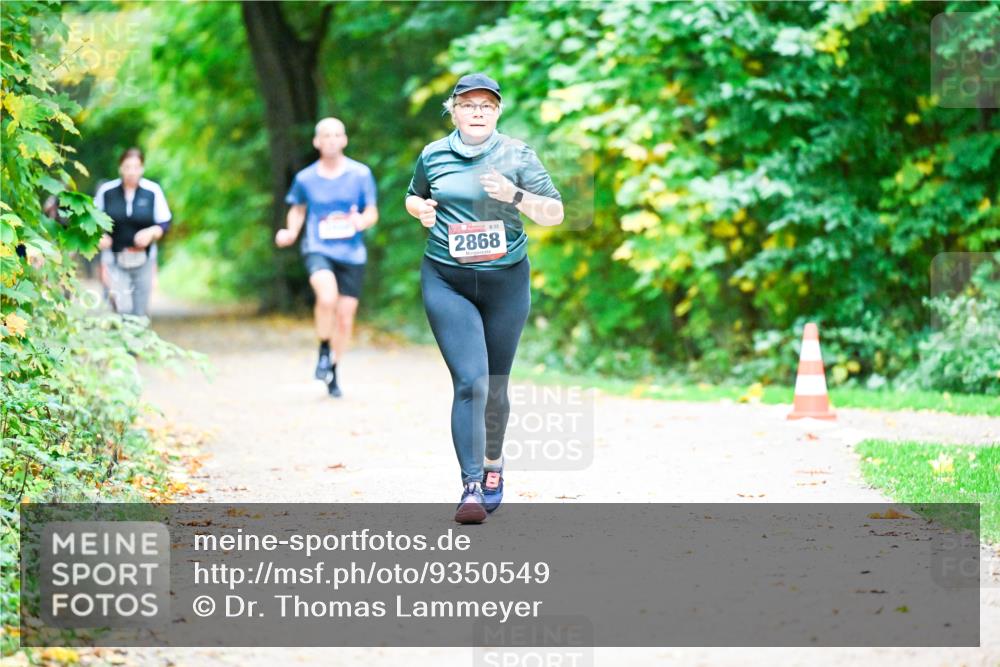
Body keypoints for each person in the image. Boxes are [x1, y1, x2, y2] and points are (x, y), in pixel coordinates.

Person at [405, 73, 564, 523]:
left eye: (486, 106)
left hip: (506, 281)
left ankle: (494, 466)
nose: (478, 112)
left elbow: (555, 212)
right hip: (447, 279)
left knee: (494, 384)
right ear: (453, 109)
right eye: (469, 105)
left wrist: (514, 194)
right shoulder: (433, 155)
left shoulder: (517, 155)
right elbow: (414, 197)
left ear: (497, 112)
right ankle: (471, 485)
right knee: (470, 381)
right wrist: (420, 209)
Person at [275, 117, 378, 397]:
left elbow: (371, 211)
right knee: (327, 297)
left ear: (344, 140)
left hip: (352, 253)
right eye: (326, 136)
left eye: (337, 135)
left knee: (345, 318)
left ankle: (333, 368)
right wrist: (291, 231)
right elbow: (297, 209)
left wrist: (361, 222)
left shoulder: (360, 174)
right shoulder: (305, 178)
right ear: (317, 142)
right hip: (318, 247)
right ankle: (323, 348)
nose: (332, 140)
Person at [94, 147, 173, 317]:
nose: (131, 172)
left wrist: (152, 232)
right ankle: (121, 341)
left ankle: (138, 341)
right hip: (114, 258)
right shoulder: (107, 192)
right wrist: (98, 237)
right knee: (122, 308)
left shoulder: (153, 191)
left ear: (142, 169)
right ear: (120, 168)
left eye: (136, 167)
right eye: (127, 167)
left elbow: (165, 222)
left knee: (139, 312)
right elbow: (92, 220)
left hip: (143, 259)